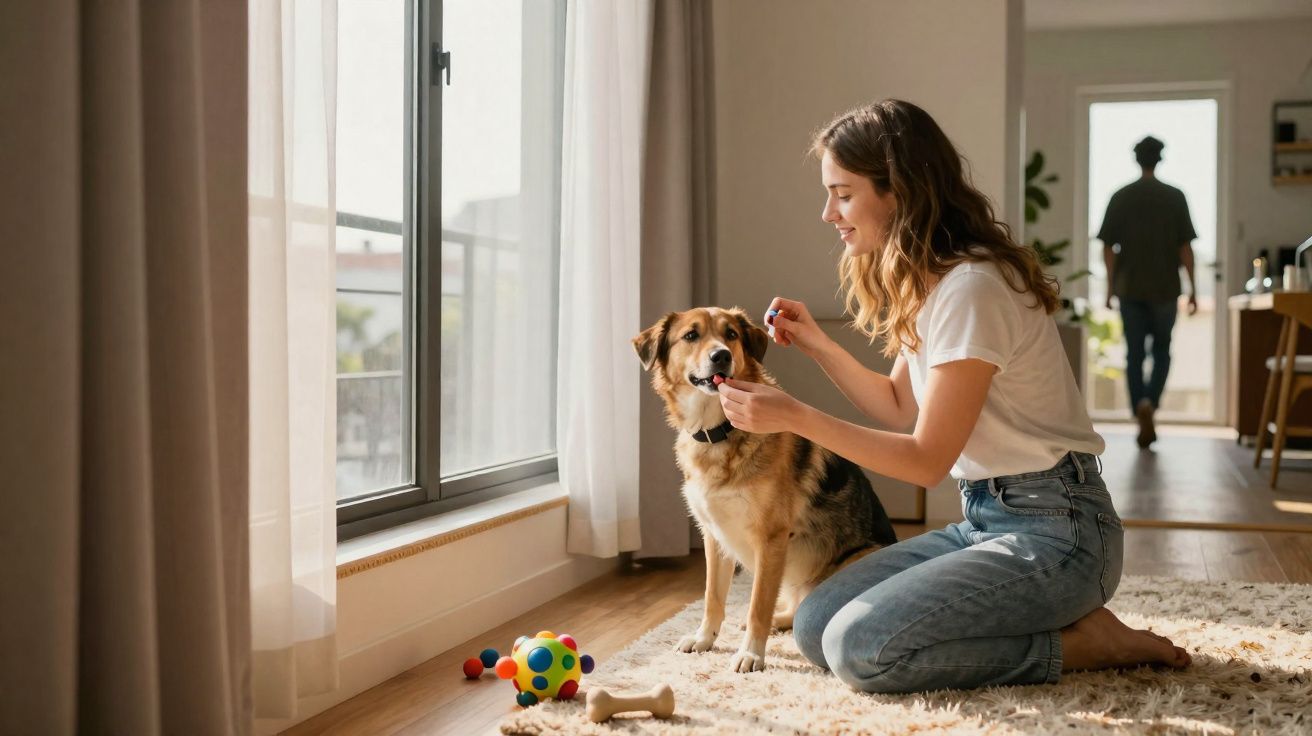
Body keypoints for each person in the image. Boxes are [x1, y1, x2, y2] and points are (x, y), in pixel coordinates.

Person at [712, 99, 1190, 695]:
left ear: (898, 191)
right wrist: (816, 346)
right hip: (984, 520)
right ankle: (1054, 625)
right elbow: (898, 404)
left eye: (842, 193)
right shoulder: (934, 284)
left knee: (858, 648)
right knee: (814, 625)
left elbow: (925, 459)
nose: (828, 212)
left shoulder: (973, 289)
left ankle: (1083, 644)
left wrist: (796, 418)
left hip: (1060, 532)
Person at [1097, 135, 1199, 449]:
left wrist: (1110, 287)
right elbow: (1185, 248)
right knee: (1162, 352)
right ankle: (1150, 404)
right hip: (1166, 288)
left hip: (1130, 288)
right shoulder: (1175, 196)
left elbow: (1108, 248)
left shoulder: (1121, 197)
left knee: (1135, 353)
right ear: (1160, 159)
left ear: (1136, 159)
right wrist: (1193, 288)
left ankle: (1138, 404)